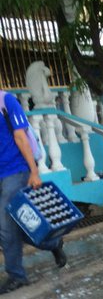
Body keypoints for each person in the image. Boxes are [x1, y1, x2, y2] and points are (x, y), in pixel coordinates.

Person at [1, 90, 67, 295]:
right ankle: (53, 243)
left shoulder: (6, 100)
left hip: (16, 170)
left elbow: (20, 136)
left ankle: (16, 276)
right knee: (17, 227)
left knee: (5, 226)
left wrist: (34, 170)